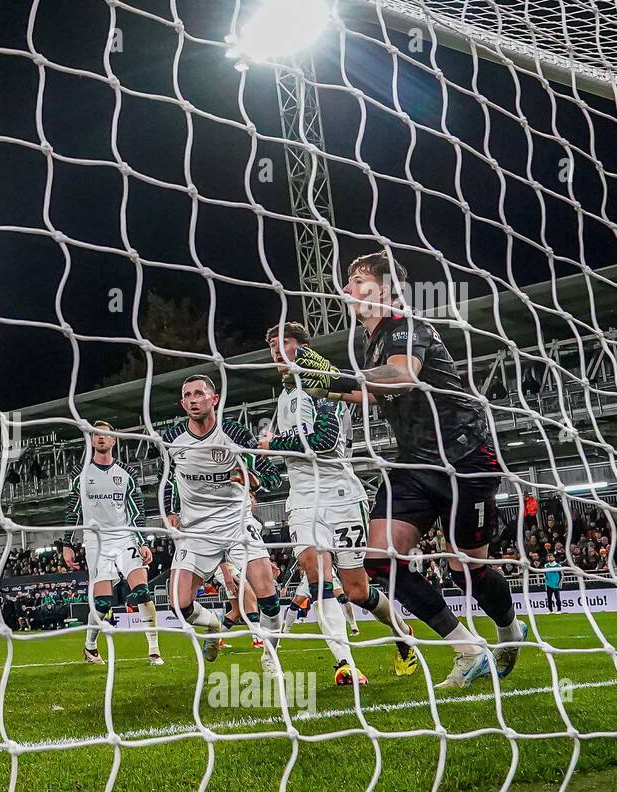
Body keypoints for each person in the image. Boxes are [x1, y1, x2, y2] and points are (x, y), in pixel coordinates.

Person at [295, 250, 522, 688]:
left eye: (360, 280)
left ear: (385, 289)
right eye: (347, 281)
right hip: (413, 463)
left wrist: (340, 377)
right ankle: (466, 648)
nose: (348, 288)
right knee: (380, 563)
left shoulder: (406, 326)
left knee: (466, 571)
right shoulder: (369, 341)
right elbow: (381, 394)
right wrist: (330, 391)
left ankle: (510, 631)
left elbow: (403, 376)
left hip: (464, 457)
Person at [262, 321, 417, 684]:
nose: (277, 352)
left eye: (284, 344)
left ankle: (403, 633)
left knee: (357, 590)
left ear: (303, 348)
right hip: (302, 499)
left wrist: (273, 445)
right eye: (272, 347)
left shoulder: (323, 384)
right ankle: (344, 662)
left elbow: (325, 441)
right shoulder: (285, 396)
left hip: (342, 496)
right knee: (316, 576)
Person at [162, 375, 284, 670]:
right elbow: (164, 478)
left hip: (236, 523)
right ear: (182, 403)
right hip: (196, 529)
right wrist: (170, 510)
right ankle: (215, 625)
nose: (193, 399)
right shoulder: (171, 437)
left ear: (213, 399)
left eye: (199, 394)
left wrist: (251, 480)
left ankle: (270, 653)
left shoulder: (234, 433)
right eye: (188, 395)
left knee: (267, 593)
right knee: (179, 603)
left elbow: (272, 476)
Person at [62, 420, 161, 665]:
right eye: (96, 435)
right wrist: (66, 543)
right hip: (95, 543)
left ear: (114, 440)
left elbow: (137, 510)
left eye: (105, 435)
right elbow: (72, 509)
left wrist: (143, 542)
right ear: (92, 441)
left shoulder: (127, 474)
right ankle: (90, 647)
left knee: (142, 592)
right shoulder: (80, 473)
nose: (100, 438)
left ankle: (154, 650)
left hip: (124, 538)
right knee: (103, 602)